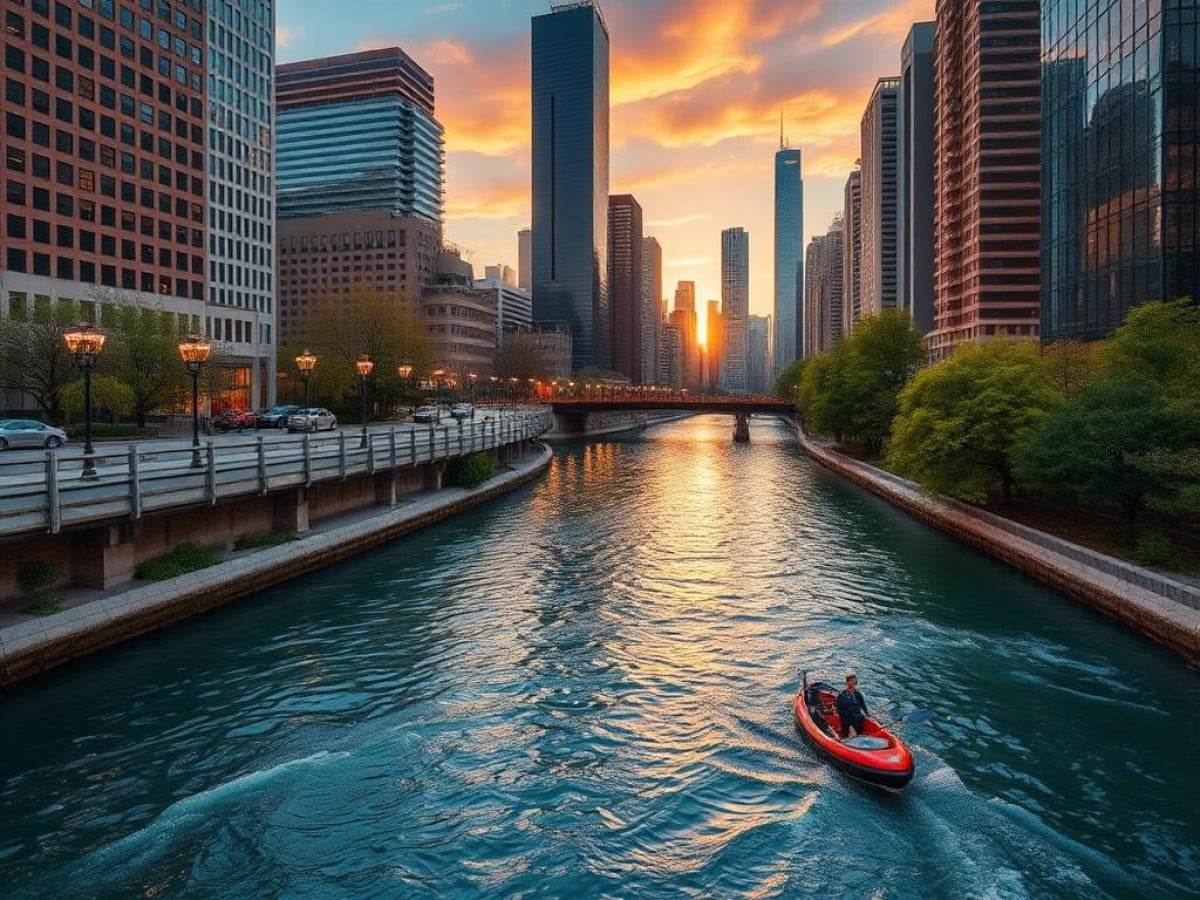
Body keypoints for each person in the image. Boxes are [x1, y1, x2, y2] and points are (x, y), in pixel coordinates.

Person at [836, 671, 870, 738]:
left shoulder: (858, 694)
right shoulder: (841, 695)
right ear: (847, 683)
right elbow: (839, 709)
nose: (853, 686)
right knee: (850, 734)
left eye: (854, 683)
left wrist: (868, 714)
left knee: (857, 732)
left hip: (857, 718)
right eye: (851, 683)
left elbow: (863, 705)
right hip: (847, 719)